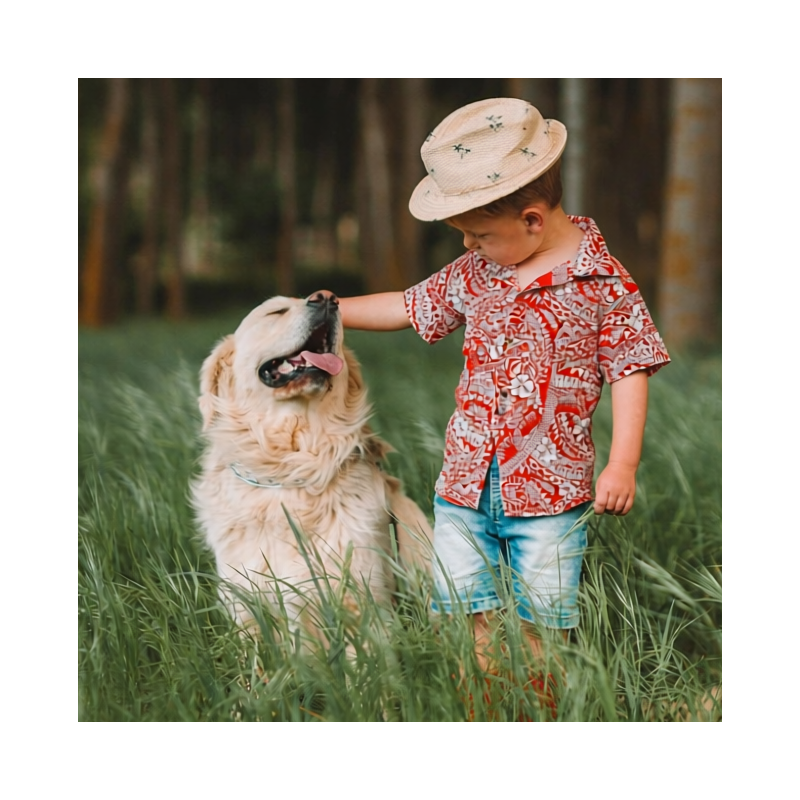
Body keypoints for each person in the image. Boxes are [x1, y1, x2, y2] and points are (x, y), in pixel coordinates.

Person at [335, 97, 670, 686]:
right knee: (465, 611)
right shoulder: (477, 272)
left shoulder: (604, 283)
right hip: (465, 484)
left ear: (534, 220)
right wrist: (332, 312)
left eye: (479, 234)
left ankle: (536, 707)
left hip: (551, 491)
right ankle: (479, 705)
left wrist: (623, 462)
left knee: (544, 620)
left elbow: (629, 368)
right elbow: (407, 306)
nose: (468, 246)